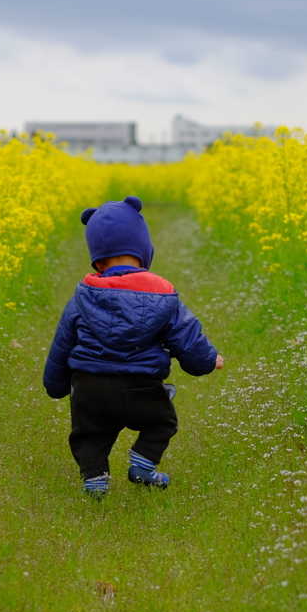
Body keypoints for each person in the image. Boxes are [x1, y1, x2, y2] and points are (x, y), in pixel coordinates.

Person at [43, 196, 224, 499]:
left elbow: (62, 344)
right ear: (143, 252)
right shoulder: (163, 296)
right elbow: (186, 337)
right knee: (162, 422)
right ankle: (143, 464)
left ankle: (95, 481)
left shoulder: (81, 297)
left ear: (98, 262)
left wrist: (55, 384)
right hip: (142, 386)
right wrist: (207, 361)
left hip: (90, 388)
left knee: (89, 435)